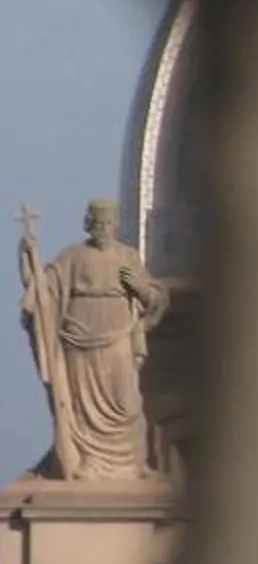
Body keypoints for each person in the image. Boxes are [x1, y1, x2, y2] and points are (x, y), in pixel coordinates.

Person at [17, 199, 169, 482]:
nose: (102, 230)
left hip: (117, 336)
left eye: (107, 224)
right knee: (81, 407)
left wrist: (140, 289)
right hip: (79, 339)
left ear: (115, 225)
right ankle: (88, 461)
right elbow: (44, 290)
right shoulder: (73, 257)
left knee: (127, 403)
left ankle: (133, 464)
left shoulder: (125, 259)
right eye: (97, 224)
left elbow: (147, 294)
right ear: (88, 224)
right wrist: (28, 257)